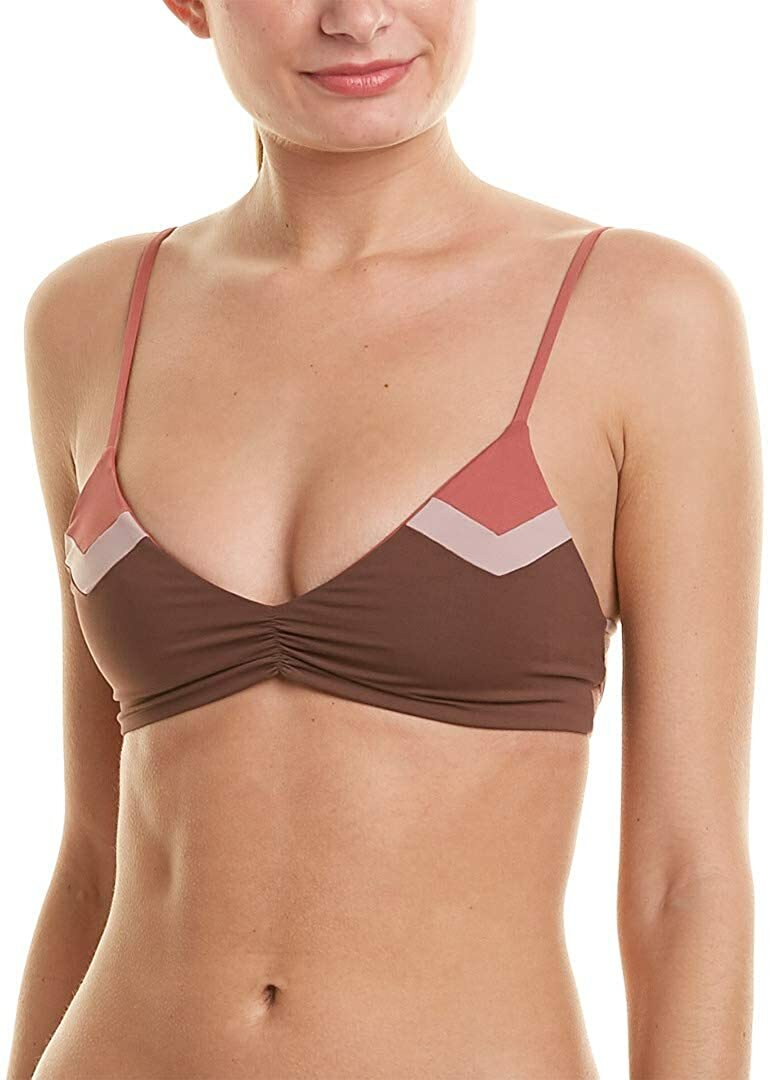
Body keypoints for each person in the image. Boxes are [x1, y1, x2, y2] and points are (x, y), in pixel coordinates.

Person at [9, 2, 760, 1078]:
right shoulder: (87, 317)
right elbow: (91, 860)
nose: (357, 18)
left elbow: (684, 881)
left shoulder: (642, 313)